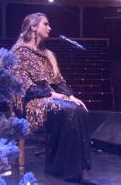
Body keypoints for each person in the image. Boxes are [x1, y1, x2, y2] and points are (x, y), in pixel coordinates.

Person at [10, 12, 97, 185]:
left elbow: (59, 82)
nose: (50, 28)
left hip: (50, 99)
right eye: (46, 24)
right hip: (31, 103)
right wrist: (52, 95)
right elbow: (24, 87)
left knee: (78, 107)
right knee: (67, 109)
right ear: (33, 27)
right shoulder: (19, 52)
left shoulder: (48, 54)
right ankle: (70, 170)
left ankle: (76, 167)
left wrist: (71, 96)